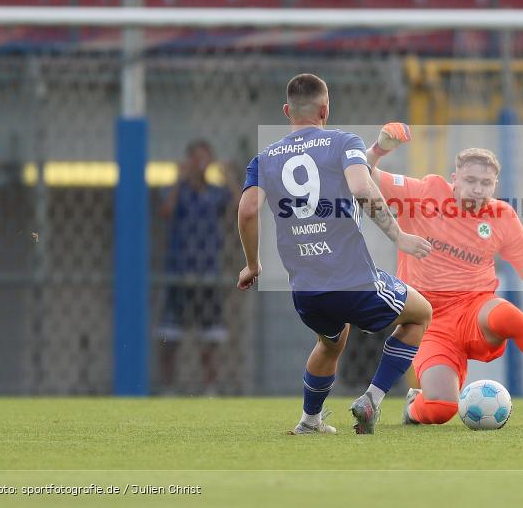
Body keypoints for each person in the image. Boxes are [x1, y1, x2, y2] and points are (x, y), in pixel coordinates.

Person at [365, 123, 523, 426]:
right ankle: (414, 407)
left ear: (495, 185)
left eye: (486, 183)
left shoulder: (501, 217)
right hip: (428, 319)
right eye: (470, 180)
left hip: (475, 309)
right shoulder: (424, 192)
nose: (477, 188)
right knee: (441, 410)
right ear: (454, 179)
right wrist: (379, 149)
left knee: (508, 315)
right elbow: (364, 176)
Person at [236, 75, 433, 435]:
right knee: (420, 314)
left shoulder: (264, 158)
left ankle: (309, 421)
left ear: (286, 111)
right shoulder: (343, 141)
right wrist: (399, 236)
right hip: (355, 282)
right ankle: (371, 400)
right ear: (326, 109)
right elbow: (360, 185)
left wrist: (252, 264)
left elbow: (248, 210)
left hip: (308, 291)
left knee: (332, 340)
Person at [157, 140, 240, 395]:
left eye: (206, 158)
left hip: (208, 272)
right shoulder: (177, 190)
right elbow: (166, 211)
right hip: (179, 271)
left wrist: (229, 177)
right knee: (170, 336)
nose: (201, 164)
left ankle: (209, 388)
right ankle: (168, 388)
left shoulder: (215, 192)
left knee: (210, 337)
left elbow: (241, 207)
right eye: (196, 158)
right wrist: (180, 177)